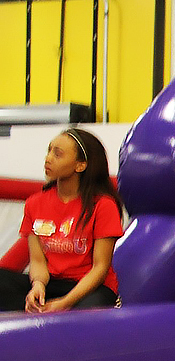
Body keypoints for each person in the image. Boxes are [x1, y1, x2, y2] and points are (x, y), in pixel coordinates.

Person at [0, 127, 124, 312]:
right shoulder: (35, 203)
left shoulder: (103, 205)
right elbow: (38, 261)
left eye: (57, 154)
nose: (48, 158)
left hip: (89, 287)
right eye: (49, 151)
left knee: (86, 311)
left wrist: (65, 303)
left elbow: (100, 268)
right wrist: (38, 286)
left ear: (80, 165)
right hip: (52, 283)